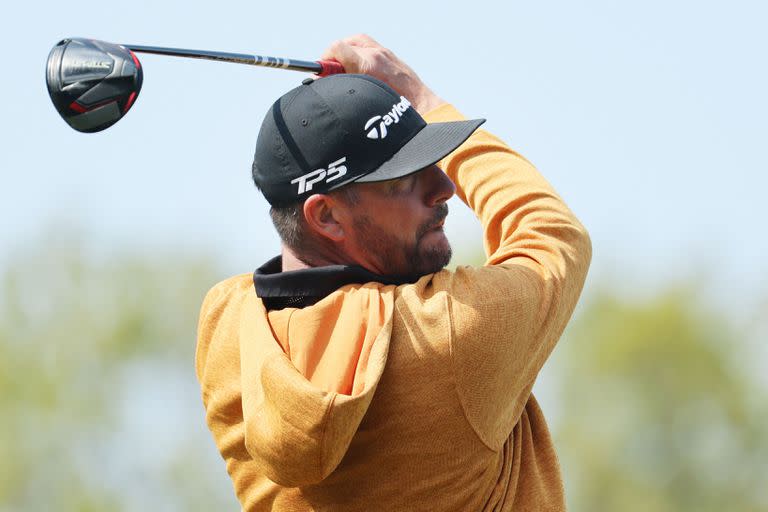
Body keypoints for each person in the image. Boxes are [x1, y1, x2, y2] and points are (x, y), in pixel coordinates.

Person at [195, 34, 591, 511]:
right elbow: (552, 235)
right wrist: (421, 98)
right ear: (326, 216)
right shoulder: (446, 332)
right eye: (404, 179)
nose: (444, 185)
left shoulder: (228, 325)